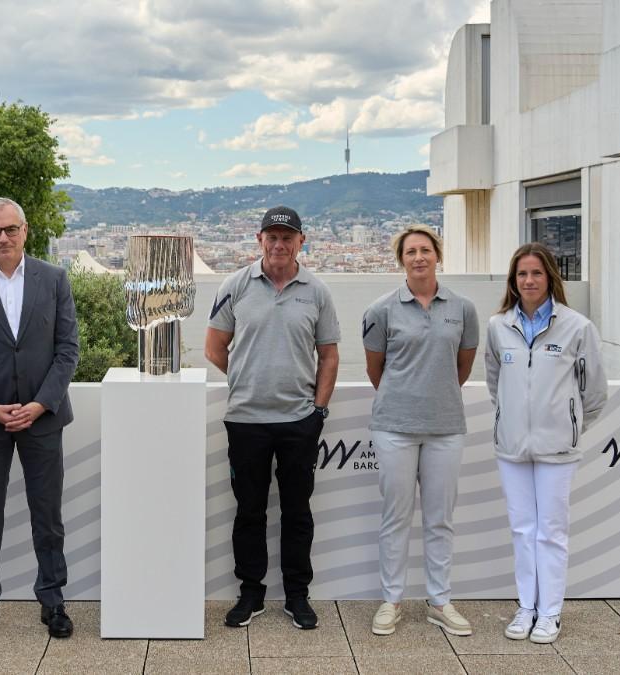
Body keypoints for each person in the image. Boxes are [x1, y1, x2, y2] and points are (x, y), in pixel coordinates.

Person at [0, 197, 80, 642]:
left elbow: (67, 350)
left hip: (43, 418)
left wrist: (41, 404)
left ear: (25, 231)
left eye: (10, 229)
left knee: (48, 515)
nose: (3, 237)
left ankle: (53, 600)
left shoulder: (54, 278)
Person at [205, 206, 340, 630]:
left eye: (288, 237)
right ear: (259, 240)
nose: (279, 244)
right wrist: (246, 378)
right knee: (249, 512)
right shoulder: (235, 285)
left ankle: (297, 595)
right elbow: (213, 347)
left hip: (299, 421)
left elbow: (329, 355)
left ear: (301, 242)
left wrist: (318, 410)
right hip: (246, 419)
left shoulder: (317, 291)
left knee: (298, 512)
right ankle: (251, 593)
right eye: (273, 237)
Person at [485, 242, 607, 644]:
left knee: (551, 532)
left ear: (551, 277)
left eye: (536, 273)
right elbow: (495, 384)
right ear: (513, 280)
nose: (529, 280)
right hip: (512, 449)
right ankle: (526, 608)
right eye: (522, 274)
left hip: (557, 451)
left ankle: (550, 613)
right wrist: (511, 422)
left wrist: (568, 428)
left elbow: (594, 393)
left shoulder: (578, 327)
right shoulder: (498, 326)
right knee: (522, 530)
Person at [363, 225, 478, 637]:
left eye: (425, 250)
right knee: (395, 517)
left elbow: (462, 365)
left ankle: (439, 601)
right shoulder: (381, 310)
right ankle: (391, 600)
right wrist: (408, 395)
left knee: (439, 519)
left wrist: (434, 394)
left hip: (445, 427)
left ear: (437, 255)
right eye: (410, 252)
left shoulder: (462, 309)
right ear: (401, 260)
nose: (418, 257)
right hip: (394, 425)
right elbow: (376, 369)